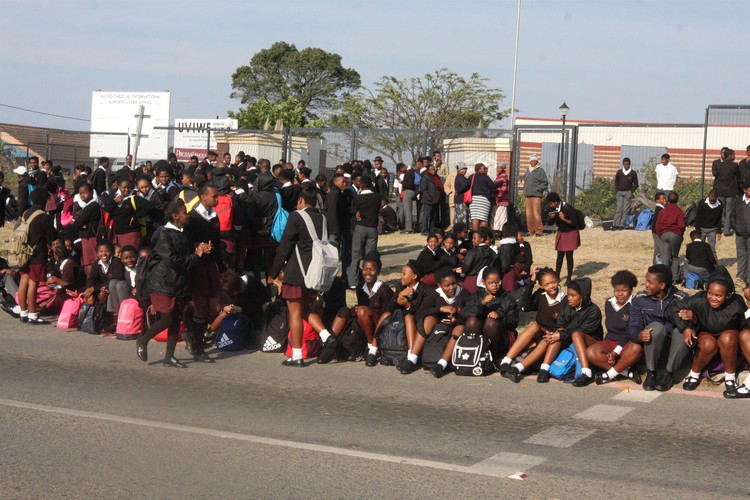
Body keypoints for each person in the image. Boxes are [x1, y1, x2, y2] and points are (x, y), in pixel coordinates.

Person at [137, 200, 209, 368]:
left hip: (178, 283)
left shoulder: (183, 231)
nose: (187, 215)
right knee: (168, 319)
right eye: (184, 212)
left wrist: (200, 248)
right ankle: (143, 340)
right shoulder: (163, 234)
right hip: (163, 283)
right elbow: (173, 261)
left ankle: (169, 357)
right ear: (175, 216)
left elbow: (186, 251)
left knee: (176, 319)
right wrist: (196, 256)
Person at [270, 184, 333, 367]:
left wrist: (273, 273)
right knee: (305, 309)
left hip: (296, 272)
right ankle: (326, 335)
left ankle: (296, 355)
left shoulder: (296, 216)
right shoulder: (322, 218)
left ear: (300, 200)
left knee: (295, 313)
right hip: (314, 273)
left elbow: (285, 247)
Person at [671, 267, 743, 392]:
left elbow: (744, 324)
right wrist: (686, 328)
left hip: (729, 337)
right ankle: (694, 374)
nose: (713, 298)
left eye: (718, 295)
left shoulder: (737, 302)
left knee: (727, 338)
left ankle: (730, 377)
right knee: (708, 343)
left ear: (728, 295)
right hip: (706, 333)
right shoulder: (699, 298)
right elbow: (674, 309)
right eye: (710, 293)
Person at [629, 264, 689, 392]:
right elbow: (633, 326)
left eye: (650, 282)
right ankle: (651, 373)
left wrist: (692, 317)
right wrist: (639, 335)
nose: (646, 285)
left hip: (674, 351)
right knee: (656, 327)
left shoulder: (680, 298)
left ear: (662, 286)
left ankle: (668, 374)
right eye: (646, 281)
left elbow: (690, 326)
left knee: (682, 331)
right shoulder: (640, 299)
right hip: (652, 350)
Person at [499, 267, 566, 381]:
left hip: (555, 339)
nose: (551, 286)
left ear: (558, 280)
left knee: (547, 339)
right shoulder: (541, 295)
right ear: (542, 286)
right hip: (540, 334)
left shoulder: (565, 299)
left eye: (553, 282)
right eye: (546, 284)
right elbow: (525, 307)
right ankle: (506, 362)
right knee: (534, 326)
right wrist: (531, 282)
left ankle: (516, 369)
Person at [401, 266, 470, 375]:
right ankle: (412, 359)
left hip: (456, 325)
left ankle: (441, 364)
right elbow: (420, 312)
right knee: (428, 318)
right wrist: (440, 309)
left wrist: (456, 319)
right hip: (437, 326)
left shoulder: (464, 294)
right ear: (439, 285)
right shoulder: (434, 293)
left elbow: (469, 315)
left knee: (460, 328)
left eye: (454, 283)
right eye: (447, 285)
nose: (452, 287)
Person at [580, 270, 643, 385]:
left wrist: (616, 351)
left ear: (631, 290)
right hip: (610, 341)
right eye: (617, 290)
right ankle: (626, 372)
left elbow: (630, 332)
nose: (620, 294)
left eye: (624, 290)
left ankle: (609, 375)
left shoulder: (635, 304)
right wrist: (611, 351)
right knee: (591, 352)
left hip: (627, 343)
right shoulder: (609, 303)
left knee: (636, 348)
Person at [457, 268, 520, 372]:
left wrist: (499, 315)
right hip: (480, 334)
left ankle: (493, 358)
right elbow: (464, 313)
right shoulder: (477, 295)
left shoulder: (507, 297)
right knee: (472, 321)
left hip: (500, 337)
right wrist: (482, 303)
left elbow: (514, 321)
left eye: (497, 282)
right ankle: (476, 353)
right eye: (490, 283)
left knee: (490, 322)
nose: (495, 285)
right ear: (483, 282)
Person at [17, 187, 58, 324]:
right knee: (33, 284)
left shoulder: (26, 213)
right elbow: (52, 235)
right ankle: (33, 314)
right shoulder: (43, 217)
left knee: (24, 280)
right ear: (44, 200)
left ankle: (23, 312)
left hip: (23, 252)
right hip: (37, 254)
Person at [378, 260, 427, 366]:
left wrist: (408, 306)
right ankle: (373, 350)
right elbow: (389, 308)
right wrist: (399, 295)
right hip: (398, 321)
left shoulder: (425, 290)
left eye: (404, 274)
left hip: (414, 323)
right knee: (385, 315)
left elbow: (422, 312)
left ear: (414, 276)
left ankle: (411, 355)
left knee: (409, 317)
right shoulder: (400, 286)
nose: (401, 276)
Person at [348, 176, 381, 288]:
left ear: (361, 185)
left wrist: (358, 211)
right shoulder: (377, 197)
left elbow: (352, 209)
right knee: (371, 256)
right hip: (372, 228)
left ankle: (353, 282)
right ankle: (369, 282)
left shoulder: (358, 198)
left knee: (356, 256)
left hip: (360, 227)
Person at [546, 192, 580, 284]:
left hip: (570, 232)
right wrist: (551, 218)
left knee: (569, 256)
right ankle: (557, 276)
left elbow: (574, 223)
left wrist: (563, 219)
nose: (550, 205)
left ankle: (569, 278)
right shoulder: (553, 209)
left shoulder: (568, 208)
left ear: (556, 202)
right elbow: (549, 223)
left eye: (551, 203)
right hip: (561, 232)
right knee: (559, 256)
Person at [70, 183, 100, 277]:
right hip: (86, 237)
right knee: (86, 263)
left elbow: (77, 222)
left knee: (90, 263)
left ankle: (91, 285)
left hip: (90, 237)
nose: (83, 195)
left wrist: (77, 222)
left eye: (85, 193)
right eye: (80, 193)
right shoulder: (87, 206)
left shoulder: (92, 205)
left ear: (91, 193)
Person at [655, 191, 685, 282]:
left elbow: (657, 225)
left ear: (667, 200)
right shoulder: (679, 211)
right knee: (674, 257)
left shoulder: (663, 211)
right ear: (677, 200)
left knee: (665, 257)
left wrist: (661, 235)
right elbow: (682, 225)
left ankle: (664, 278)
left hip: (664, 234)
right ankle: (674, 278)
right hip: (675, 234)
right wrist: (680, 234)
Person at [464, 163, 503, 232]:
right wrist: (501, 182)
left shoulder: (472, 176)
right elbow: (493, 186)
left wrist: (458, 191)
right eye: (484, 168)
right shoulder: (486, 177)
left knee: (475, 218)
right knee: (483, 218)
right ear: (479, 169)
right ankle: (484, 235)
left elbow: (465, 186)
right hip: (484, 200)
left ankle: (475, 234)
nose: (485, 170)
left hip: (474, 200)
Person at [712, 147, 739, 236]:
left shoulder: (719, 165)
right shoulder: (734, 166)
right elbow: (738, 176)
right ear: (730, 156)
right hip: (731, 191)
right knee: (729, 211)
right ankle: (727, 230)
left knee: (720, 209)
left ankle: (718, 229)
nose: (734, 156)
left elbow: (715, 175)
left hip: (720, 190)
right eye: (733, 155)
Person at [730, 179, 750, 287]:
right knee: (741, 256)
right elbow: (732, 216)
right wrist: (737, 228)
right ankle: (740, 278)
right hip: (739, 234)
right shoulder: (738, 201)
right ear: (745, 190)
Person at [523, 155, 548, 237]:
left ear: (537, 162)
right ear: (530, 162)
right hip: (528, 195)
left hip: (536, 195)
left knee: (536, 213)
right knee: (529, 214)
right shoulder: (527, 170)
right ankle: (531, 230)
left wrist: (538, 189)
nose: (533, 162)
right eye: (532, 161)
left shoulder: (540, 171)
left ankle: (539, 230)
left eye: (535, 161)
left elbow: (545, 183)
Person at [694, 189, 722, 259]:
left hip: (713, 229)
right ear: (708, 196)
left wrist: (719, 231)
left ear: (717, 197)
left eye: (714, 200)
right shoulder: (702, 203)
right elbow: (698, 217)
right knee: (699, 247)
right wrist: (698, 230)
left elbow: (719, 218)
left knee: (712, 249)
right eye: (711, 200)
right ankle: (699, 261)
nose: (712, 202)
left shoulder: (720, 205)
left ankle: (713, 265)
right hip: (702, 229)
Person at [612, 158, 638, 230]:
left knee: (625, 209)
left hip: (628, 192)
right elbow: (616, 182)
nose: (626, 165)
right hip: (619, 192)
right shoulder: (619, 172)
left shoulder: (633, 173)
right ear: (623, 164)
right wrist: (617, 190)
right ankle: (615, 224)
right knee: (619, 209)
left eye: (627, 164)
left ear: (629, 164)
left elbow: (636, 184)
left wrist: (631, 191)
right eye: (625, 164)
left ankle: (621, 225)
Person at [492, 163, 510, 235]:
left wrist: (498, 197)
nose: (498, 169)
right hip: (497, 199)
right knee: (497, 216)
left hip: (501, 200)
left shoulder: (504, 176)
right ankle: (497, 231)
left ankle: (500, 231)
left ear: (503, 169)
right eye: (497, 168)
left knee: (501, 216)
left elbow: (503, 188)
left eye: (500, 168)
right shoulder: (498, 176)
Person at [400, 162, 417, 234]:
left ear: (404, 167)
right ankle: (409, 228)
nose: (401, 171)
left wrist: (402, 182)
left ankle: (408, 228)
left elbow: (409, 185)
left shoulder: (409, 173)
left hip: (408, 192)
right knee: (408, 211)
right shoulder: (412, 171)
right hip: (412, 192)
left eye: (401, 170)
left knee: (407, 211)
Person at [452, 163, 470, 228]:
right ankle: (462, 231)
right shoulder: (460, 177)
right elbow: (464, 186)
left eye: (465, 169)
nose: (464, 171)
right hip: (461, 200)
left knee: (458, 217)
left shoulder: (460, 177)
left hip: (459, 200)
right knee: (462, 218)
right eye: (463, 169)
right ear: (459, 170)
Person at [651, 191, 667, 265]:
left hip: (656, 231)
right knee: (662, 249)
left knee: (657, 250)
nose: (664, 200)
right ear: (657, 200)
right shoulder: (660, 209)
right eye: (662, 199)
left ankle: (655, 264)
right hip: (657, 232)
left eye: (665, 199)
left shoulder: (660, 209)